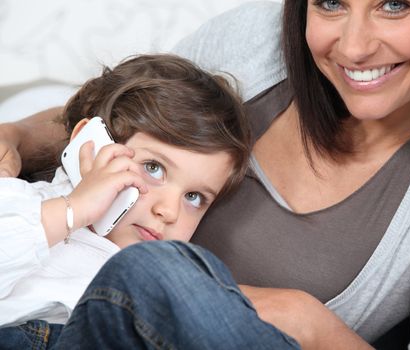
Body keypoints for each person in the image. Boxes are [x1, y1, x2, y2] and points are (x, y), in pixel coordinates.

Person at [0, 0, 410, 348]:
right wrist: (18, 138)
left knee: (153, 269)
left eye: (394, 4)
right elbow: (126, 109)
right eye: (330, 2)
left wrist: (313, 326)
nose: (354, 46)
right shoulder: (258, 41)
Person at [0, 54, 250, 349]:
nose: (168, 211)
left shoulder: (154, 280)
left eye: (193, 197)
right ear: (88, 145)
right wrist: (73, 210)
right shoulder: (21, 203)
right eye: (153, 168)